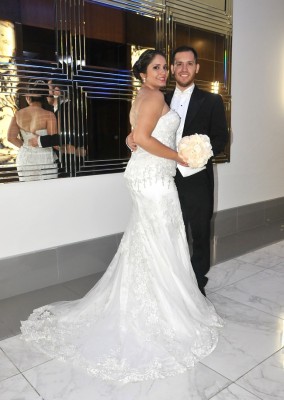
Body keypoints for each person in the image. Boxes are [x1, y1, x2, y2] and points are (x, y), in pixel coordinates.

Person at [21, 50, 222, 383]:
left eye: (163, 68)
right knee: (160, 238)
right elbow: (143, 137)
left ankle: (158, 300)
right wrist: (179, 156)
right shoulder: (155, 94)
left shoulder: (145, 95)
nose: (163, 72)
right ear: (143, 73)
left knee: (151, 239)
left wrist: (142, 143)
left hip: (150, 175)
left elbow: (135, 137)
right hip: (153, 179)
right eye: (156, 68)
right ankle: (162, 311)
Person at [127, 46, 228, 296]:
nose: (183, 68)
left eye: (189, 63)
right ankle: (174, 283)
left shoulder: (212, 101)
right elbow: (143, 130)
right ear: (172, 68)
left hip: (197, 176)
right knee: (171, 232)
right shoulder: (159, 94)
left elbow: (220, 138)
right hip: (165, 176)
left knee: (200, 230)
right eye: (178, 64)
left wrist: (199, 153)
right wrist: (130, 138)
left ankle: (196, 282)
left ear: (197, 68)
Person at [7, 80, 58, 181]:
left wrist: (26, 146)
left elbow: (10, 138)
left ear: (28, 97)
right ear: (44, 98)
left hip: (25, 158)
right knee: (48, 192)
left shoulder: (18, 114)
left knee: (28, 193)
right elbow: (53, 140)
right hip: (44, 157)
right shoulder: (49, 115)